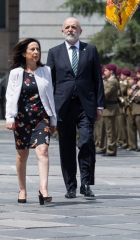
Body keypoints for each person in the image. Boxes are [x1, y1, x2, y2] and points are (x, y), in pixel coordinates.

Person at [46, 17, 105, 199]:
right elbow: (49, 83)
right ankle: (70, 185)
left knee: (86, 142)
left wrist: (100, 105)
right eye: (67, 27)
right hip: (63, 107)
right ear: (62, 31)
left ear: (80, 31)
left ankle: (86, 183)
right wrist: (48, 109)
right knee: (67, 146)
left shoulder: (90, 50)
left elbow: (97, 79)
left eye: (74, 27)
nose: (71, 29)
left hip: (85, 105)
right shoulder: (54, 52)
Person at [5, 38, 57, 205]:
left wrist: (53, 119)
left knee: (43, 151)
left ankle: (44, 189)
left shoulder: (46, 71)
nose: (36, 52)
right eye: (32, 49)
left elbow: (50, 96)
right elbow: (10, 96)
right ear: (24, 53)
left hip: (41, 117)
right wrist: (9, 117)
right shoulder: (16, 73)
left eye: (38, 49)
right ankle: (22, 189)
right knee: (22, 154)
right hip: (22, 118)